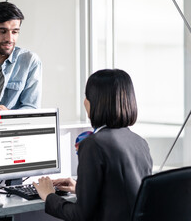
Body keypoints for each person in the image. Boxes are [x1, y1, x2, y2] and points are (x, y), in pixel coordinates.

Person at [33, 69, 153, 221]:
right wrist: (80, 189)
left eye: (86, 96)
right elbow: (123, 196)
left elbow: (81, 215)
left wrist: (49, 195)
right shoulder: (139, 142)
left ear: (91, 103)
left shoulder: (93, 145)